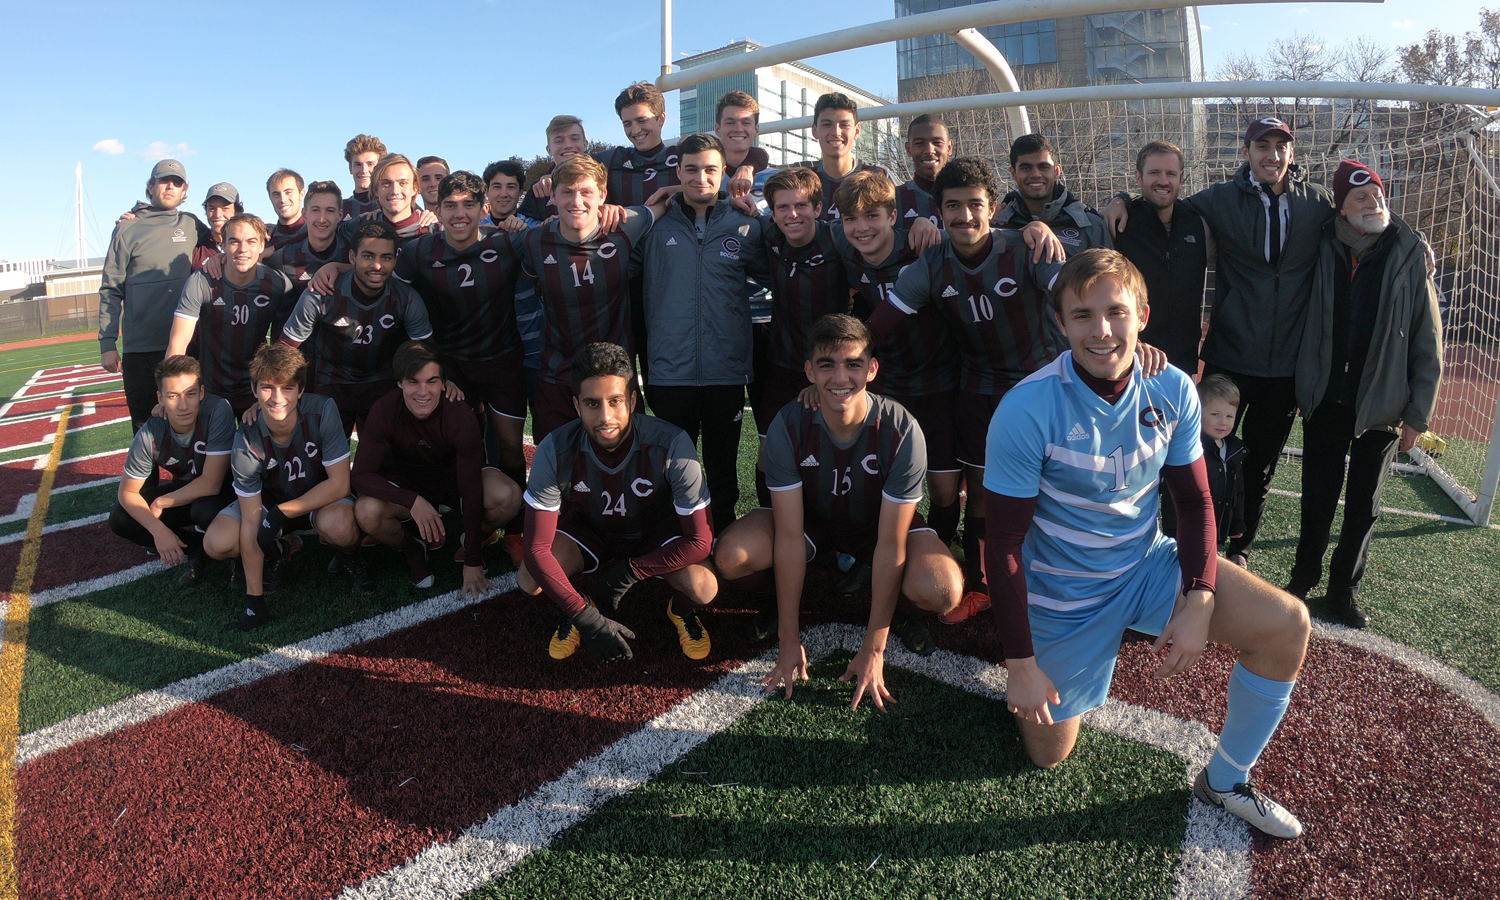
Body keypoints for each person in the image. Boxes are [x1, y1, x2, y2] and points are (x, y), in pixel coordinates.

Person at [984, 248, 1311, 840]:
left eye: (1116, 312)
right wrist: (1021, 664)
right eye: (1082, 315)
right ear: (1061, 323)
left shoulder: (1173, 387)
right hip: (1064, 593)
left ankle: (1226, 778)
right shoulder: (1026, 407)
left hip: (1144, 565)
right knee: (1047, 755)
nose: (1101, 330)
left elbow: (1194, 502)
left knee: (1287, 624)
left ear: (1142, 315)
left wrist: (1200, 598)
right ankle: (1065, 655)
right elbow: (1003, 544)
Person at [1103, 117, 1335, 568]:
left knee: (1259, 467)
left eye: (1281, 146)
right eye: (1262, 146)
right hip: (1229, 356)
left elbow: (1362, 214)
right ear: (1246, 152)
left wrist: (1415, 240)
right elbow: (1162, 199)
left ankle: (1239, 552)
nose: (1272, 155)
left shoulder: (1316, 202)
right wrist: (1120, 199)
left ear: (1292, 153)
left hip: (1285, 364)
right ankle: (1184, 545)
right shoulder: (1216, 201)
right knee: (1197, 456)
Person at [714, 314, 965, 710]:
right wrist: (788, 638)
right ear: (810, 371)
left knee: (944, 590)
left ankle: (895, 611)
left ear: (872, 369)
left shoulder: (900, 429)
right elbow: (790, 536)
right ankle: (783, 601)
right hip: (812, 524)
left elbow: (891, 544)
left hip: (877, 529)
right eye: (827, 365)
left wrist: (875, 648)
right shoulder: (789, 424)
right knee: (731, 557)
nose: (840, 377)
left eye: (853, 364)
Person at [865, 156, 1065, 612]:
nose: (965, 215)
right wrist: (841, 362)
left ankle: (1058, 573)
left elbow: (1074, 290)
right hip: (978, 388)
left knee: (1054, 483)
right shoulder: (931, 266)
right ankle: (979, 581)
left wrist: (1123, 336)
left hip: (1041, 387)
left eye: (975, 204)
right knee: (980, 486)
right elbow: (880, 324)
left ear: (992, 207)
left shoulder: (1027, 247)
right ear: (939, 212)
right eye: (953, 206)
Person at [1288, 160, 1443, 628]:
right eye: (1361, 196)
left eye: (1377, 194)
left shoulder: (1409, 251)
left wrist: (1418, 413)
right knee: (1317, 498)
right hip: (1325, 397)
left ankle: (1343, 592)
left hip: (1381, 405)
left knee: (1363, 506)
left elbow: (1427, 336)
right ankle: (1301, 581)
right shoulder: (1319, 242)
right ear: (1341, 206)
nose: (1373, 202)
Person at [518, 342, 718, 662]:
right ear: (576, 405)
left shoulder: (671, 444)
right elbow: (536, 549)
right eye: (592, 403)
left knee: (703, 587)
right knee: (529, 578)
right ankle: (583, 604)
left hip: (653, 534)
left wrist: (631, 571)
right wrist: (583, 615)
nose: (605, 417)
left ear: (633, 401)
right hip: (589, 531)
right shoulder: (555, 449)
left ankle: (679, 610)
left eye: (615, 401)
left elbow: (701, 540)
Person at [827, 171, 965, 591]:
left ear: (893, 216)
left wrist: (1032, 228)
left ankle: (935, 551)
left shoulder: (923, 243)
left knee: (944, 490)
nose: (861, 228)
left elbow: (979, 236)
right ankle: (873, 556)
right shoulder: (842, 245)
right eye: (851, 219)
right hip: (886, 383)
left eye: (872, 216)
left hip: (940, 381)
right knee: (877, 480)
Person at [393, 171, 532, 560]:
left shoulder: (507, 243)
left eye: (468, 205)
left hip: (503, 361)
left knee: (509, 447)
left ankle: (514, 529)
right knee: (458, 446)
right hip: (451, 367)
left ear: (483, 208)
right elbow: (392, 294)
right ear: (436, 210)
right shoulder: (417, 252)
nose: (459, 214)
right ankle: (466, 523)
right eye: (450, 205)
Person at [637, 133, 768, 532]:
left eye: (711, 169)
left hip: (725, 372)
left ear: (723, 172)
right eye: (691, 169)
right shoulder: (653, 225)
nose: (701, 178)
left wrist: (760, 217)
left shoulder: (745, 225)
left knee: (722, 472)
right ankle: (675, 541)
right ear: (677, 172)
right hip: (668, 371)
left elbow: (782, 270)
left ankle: (722, 538)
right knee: (670, 470)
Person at [201, 343, 367, 629]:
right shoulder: (246, 438)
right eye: (267, 388)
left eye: (287, 388)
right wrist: (254, 604)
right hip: (269, 503)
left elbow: (340, 484)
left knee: (340, 525)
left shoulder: (322, 410)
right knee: (216, 542)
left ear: (300, 390)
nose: (277, 398)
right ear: (254, 390)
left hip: (320, 500)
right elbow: (251, 521)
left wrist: (281, 513)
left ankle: (349, 556)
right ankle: (281, 549)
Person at [510, 154, 665, 442]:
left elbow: (664, 204)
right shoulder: (534, 241)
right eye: (567, 192)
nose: (576, 201)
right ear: (553, 197)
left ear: (603, 195)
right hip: (557, 373)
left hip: (615, 374)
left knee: (623, 459)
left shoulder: (625, 225)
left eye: (586, 192)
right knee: (554, 460)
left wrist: (675, 189)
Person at [352, 341, 521, 596]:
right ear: (399, 382)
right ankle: (412, 548)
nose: (423, 391)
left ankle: (476, 538)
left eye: (431, 381)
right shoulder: (385, 409)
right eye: (413, 382)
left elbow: (471, 489)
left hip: (454, 483)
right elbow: (360, 476)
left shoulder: (458, 414)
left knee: (509, 496)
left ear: (443, 383)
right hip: (408, 484)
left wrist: (473, 559)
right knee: (365, 511)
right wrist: (411, 500)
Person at [750, 168, 851, 506]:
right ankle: (768, 520)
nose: (792, 215)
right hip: (783, 363)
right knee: (769, 450)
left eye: (801, 205)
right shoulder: (770, 237)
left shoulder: (839, 239)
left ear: (818, 208)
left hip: (834, 368)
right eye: (783, 207)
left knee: (835, 451)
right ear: (773, 213)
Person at [278, 220, 435, 436]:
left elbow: (427, 354)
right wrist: (272, 392)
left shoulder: (407, 299)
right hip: (332, 381)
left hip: (381, 381)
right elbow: (285, 348)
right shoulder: (321, 293)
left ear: (395, 260)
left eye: (386, 257)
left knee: (380, 452)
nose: (377, 265)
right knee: (323, 450)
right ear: (352, 257)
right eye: (368, 256)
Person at [98, 158, 213, 430]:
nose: (171, 187)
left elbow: (224, 236)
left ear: (185, 191)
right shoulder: (127, 228)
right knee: (145, 429)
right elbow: (111, 288)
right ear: (150, 187)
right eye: (164, 181)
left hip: (187, 347)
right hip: (141, 350)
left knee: (193, 427)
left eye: (177, 183)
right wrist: (107, 343)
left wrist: (268, 231)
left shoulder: (191, 224)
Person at [107, 355, 236, 585]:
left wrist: (162, 502)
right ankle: (197, 548)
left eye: (190, 394)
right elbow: (127, 492)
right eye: (173, 396)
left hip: (224, 492)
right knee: (121, 518)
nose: (183, 405)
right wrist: (158, 530)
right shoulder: (151, 431)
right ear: (160, 398)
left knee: (204, 510)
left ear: (202, 392)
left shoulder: (217, 410)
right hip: (184, 490)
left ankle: (238, 555)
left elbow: (211, 483)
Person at [167, 214, 297, 418]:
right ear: (223, 246)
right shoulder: (201, 281)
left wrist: (271, 394)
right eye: (234, 241)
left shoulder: (278, 285)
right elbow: (178, 343)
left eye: (251, 241)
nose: (243, 249)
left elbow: (284, 349)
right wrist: (172, 394)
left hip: (256, 391)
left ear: (262, 246)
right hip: (210, 389)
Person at [1110, 141, 1210, 375]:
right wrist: (1119, 199)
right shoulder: (1120, 224)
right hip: (1131, 359)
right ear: (1138, 177)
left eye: (1171, 174)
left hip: (1182, 361)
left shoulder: (1197, 224)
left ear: (1182, 179)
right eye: (1154, 172)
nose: (1163, 181)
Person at [481, 159, 544, 408]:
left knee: (541, 412)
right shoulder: (474, 231)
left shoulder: (534, 226)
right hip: (493, 343)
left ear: (520, 192)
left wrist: (522, 236)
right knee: (496, 421)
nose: (504, 193)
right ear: (487, 191)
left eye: (511, 186)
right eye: (497, 186)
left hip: (533, 338)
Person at [1163, 374, 1246, 550]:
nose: (1223, 422)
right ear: (1196, 412)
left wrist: (1236, 521)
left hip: (1215, 532)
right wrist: (1172, 528)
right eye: (1215, 414)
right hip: (1184, 532)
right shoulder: (1188, 448)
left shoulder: (1234, 450)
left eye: (1229, 416)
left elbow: (1238, 490)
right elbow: (1172, 492)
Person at [996, 133, 1112, 257]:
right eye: (1026, 168)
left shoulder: (1091, 226)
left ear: (1057, 171)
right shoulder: (997, 224)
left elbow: (1111, 268)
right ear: (1013, 173)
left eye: (1043, 167)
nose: (1035, 174)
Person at [799, 92, 887, 222]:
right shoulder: (802, 182)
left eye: (844, 125)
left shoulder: (880, 176)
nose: (836, 132)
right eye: (827, 124)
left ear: (857, 131)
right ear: (815, 131)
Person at [265, 181, 347, 287]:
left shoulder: (353, 252)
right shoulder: (283, 258)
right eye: (315, 210)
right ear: (304, 214)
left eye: (330, 211)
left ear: (340, 216)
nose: (322, 219)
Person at [517, 115, 588, 223]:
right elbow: (523, 224)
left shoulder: (606, 179)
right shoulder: (538, 190)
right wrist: (546, 226)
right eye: (559, 141)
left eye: (574, 139)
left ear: (585, 144)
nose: (568, 145)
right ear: (549, 150)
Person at [896, 114, 953, 230]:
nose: (929, 150)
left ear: (949, 147)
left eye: (937, 142)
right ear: (908, 149)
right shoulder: (894, 200)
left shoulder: (970, 197)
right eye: (919, 143)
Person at [713, 90, 771, 197]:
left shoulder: (773, 179)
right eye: (730, 123)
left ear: (756, 130)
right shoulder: (701, 176)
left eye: (746, 123)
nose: (738, 129)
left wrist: (747, 167)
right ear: (718, 129)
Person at [343, 134, 387, 221]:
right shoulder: (339, 208)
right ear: (350, 168)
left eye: (370, 164)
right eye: (358, 164)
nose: (364, 170)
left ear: (380, 168)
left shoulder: (392, 205)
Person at [265, 168, 307, 249]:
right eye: (276, 194)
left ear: (301, 194)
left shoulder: (318, 233)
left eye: (288, 192)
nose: (282, 200)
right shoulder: (265, 240)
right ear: (270, 198)